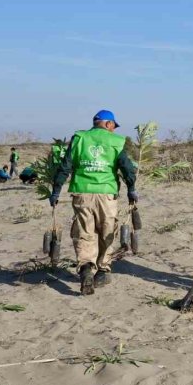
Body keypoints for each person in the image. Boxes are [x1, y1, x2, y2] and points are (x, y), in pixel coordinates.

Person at [50, 109, 138, 295]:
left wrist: (56, 191)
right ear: (107, 124)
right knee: (107, 230)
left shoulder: (79, 138)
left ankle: (86, 268)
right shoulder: (116, 141)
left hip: (82, 194)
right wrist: (131, 189)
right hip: (106, 194)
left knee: (85, 231)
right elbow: (127, 168)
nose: (114, 130)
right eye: (113, 126)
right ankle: (103, 270)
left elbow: (65, 166)